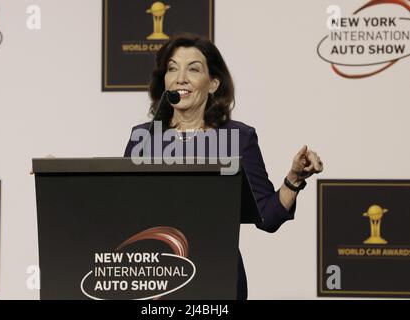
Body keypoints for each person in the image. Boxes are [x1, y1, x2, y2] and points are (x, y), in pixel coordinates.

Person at [124, 33, 323, 299]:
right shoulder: (144, 137)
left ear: (213, 83)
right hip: (154, 279)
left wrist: (295, 178)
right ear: (165, 82)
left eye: (193, 69)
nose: (180, 77)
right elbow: (122, 214)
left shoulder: (238, 137)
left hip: (218, 280)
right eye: (172, 69)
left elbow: (268, 217)